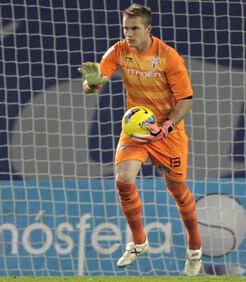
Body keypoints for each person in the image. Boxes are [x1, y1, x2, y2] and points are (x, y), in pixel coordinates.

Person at [78, 3, 202, 276]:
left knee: (179, 192)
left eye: (134, 29)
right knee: (123, 179)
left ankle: (194, 249)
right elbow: (96, 82)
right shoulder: (119, 50)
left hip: (168, 131)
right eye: (126, 28)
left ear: (148, 29)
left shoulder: (169, 57)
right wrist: (92, 82)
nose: (129, 34)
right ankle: (138, 240)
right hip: (135, 128)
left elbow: (186, 100)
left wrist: (167, 126)